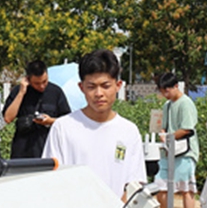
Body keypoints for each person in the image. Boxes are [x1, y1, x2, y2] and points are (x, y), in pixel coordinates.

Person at [42, 49, 145, 199]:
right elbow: (51, 179)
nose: (99, 93)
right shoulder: (63, 128)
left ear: (118, 86)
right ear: (81, 87)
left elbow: (135, 184)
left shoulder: (129, 131)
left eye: (105, 86)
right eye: (91, 87)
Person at [150, 72, 199, 208]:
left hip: (184, 152)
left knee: (187, 188)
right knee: (160, 185)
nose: (165, 94)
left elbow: (187, 128)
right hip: (167, 151)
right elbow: (163, 125)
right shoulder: (167, 105)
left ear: (176, 86)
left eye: (167, 91)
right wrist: (163, 134)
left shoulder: (186, 103)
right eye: (162, 91)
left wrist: (169, 136)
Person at [3, 60, 70, 159]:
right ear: (28, 79)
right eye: (37, 83)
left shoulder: (56, 92)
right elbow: (7, 118)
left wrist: (49, 121)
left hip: (48, 149)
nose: (42, 86)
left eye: (44, 81)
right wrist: (21, 93)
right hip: (22, 151)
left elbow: (67, 121)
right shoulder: (19, 91)